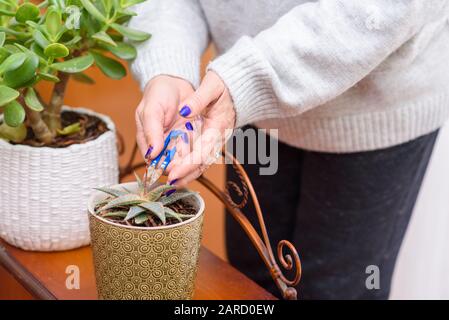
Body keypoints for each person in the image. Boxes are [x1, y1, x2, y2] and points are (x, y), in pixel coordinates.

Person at [130, 0, 449, 299]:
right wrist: (168, 66)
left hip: (372, 111)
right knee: (250, 282)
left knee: (336, 289)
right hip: (244, 106)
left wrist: (246, 79)